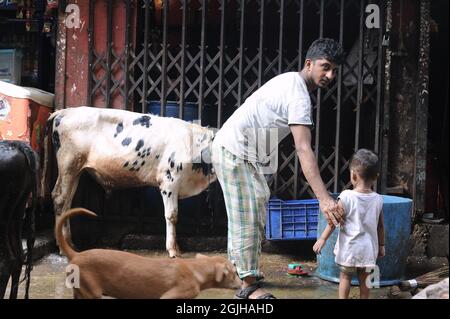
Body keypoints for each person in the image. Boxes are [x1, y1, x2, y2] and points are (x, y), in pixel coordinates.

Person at [211, 38, 346, 299]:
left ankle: (239, 273)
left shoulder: (290, 82)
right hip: (235, 150)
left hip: (246, 153)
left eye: (334, 71)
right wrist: (324, 199)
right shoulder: (298, 96)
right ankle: (248, 285)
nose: (330, 75)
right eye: (325, 67)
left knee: (255, 208)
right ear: (309, 64)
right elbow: (303, 149)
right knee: (246, 216)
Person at [313, 148, 385, 299]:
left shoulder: (346, 196)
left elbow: (334, 221)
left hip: (349, 249)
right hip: (368, 249)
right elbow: (380, 226)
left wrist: (322, 239)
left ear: (353, 175)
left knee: (345, 277)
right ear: (376, 177)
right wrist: (382, 246)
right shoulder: (378, 199)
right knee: (366, 279)